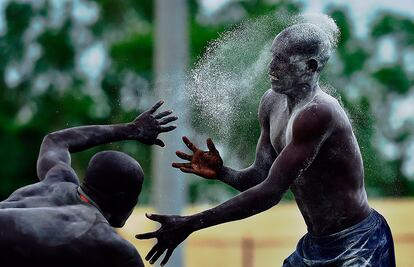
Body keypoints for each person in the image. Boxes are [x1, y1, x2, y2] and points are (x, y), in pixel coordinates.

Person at [136, 20, 396, 267]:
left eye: (282, 61)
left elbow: (270, 193)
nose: (271, 67)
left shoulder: (317, 113)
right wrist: (223, 173)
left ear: (311, 66)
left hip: (360, 244)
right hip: (316, 245)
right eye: (273, 56)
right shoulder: (271, 103)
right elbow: (260, 177)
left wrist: (189, 224)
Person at [0, 100, 177, 267]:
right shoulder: (111, 245)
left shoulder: (58, 180)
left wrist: (132, 129)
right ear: (122, 199)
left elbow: (56, 141)